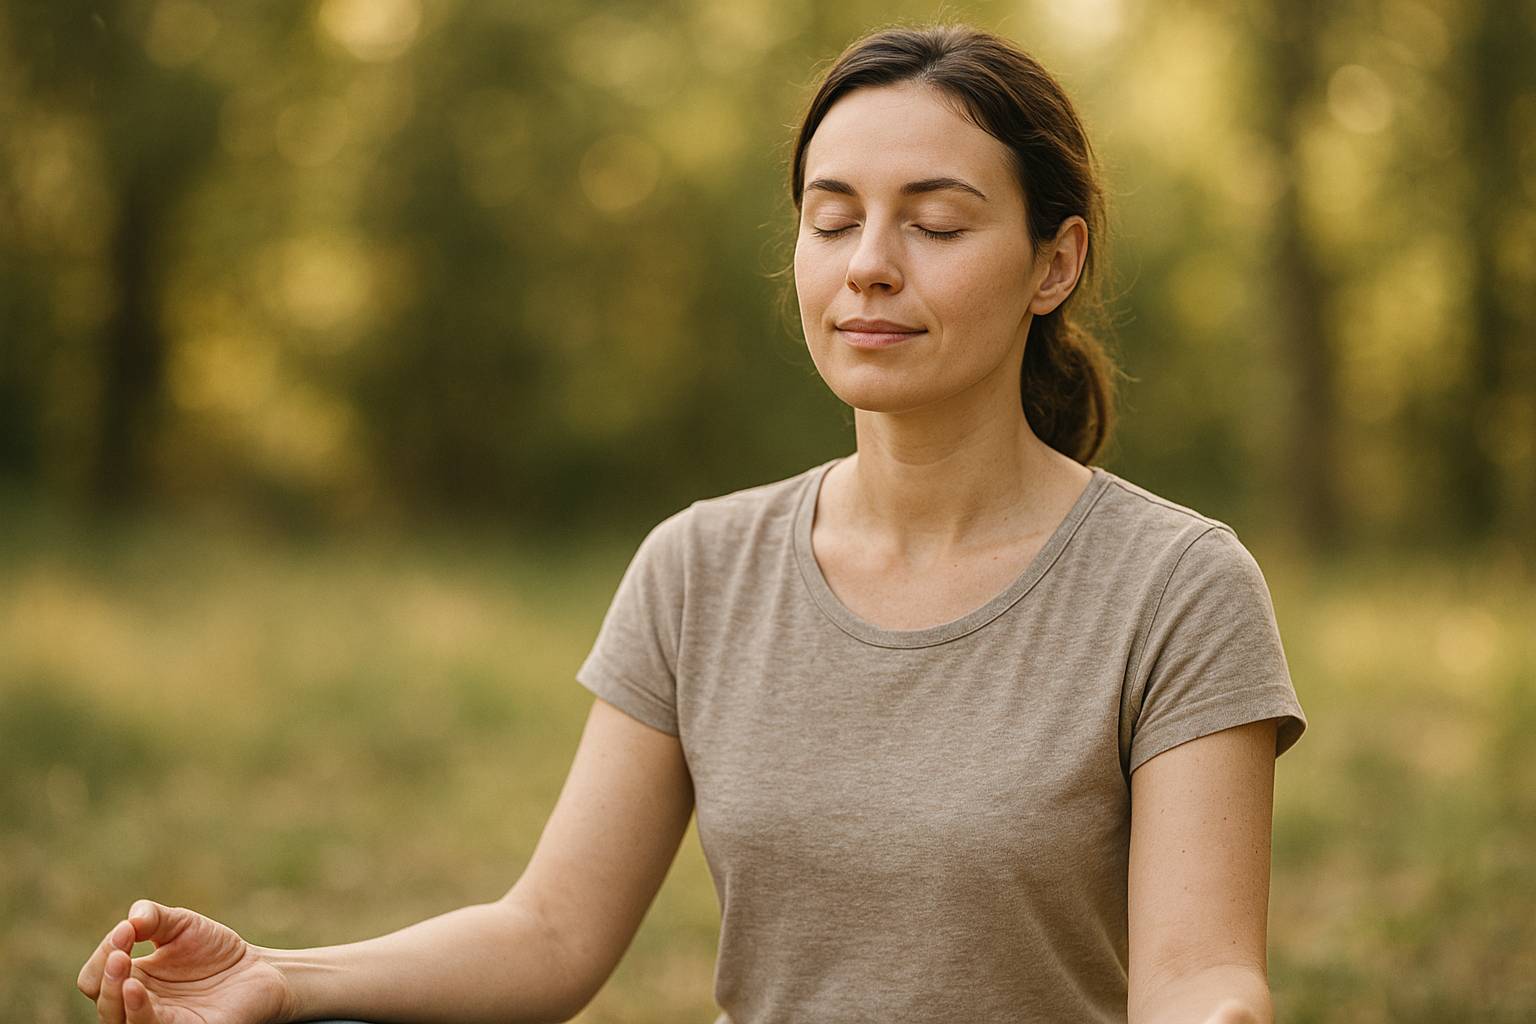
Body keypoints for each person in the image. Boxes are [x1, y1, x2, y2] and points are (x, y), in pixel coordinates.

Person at [77, 22, 1306, 1024]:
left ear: (1054, 263)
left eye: (934, 223)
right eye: (832, 220)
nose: (870, 264)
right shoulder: (700, 565)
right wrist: (285, 975)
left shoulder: (1175, 584)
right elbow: (551, 932)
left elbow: (1198, 983)